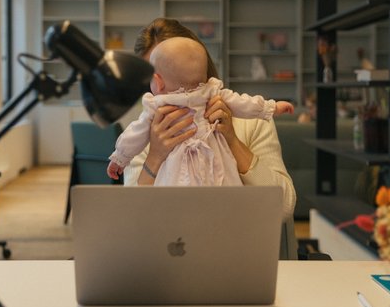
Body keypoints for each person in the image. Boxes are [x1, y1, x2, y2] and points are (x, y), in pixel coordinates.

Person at [123, 18, 296, 223]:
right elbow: (133, 219)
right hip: (168, 247)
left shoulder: (253, 121)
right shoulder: (145, 134)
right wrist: (155, 156)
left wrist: (232, 141)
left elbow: (284, 207)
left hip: (237, 248)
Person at [107, 36, 294, 186]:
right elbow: (246, 103)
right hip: (185, 219)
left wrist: (119, 158)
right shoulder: (211, 92)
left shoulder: (156, 106)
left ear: (157, 81)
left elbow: (134, 134)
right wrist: (272, 107)